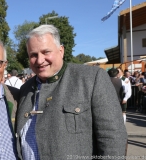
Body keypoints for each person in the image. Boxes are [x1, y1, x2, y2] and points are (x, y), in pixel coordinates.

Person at [15, 25, 128, 159]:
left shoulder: (91, 78)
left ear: (61, 50)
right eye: (33, 55)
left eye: (46, 52)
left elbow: (113, 138)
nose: (40, 60)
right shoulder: (25, 89)